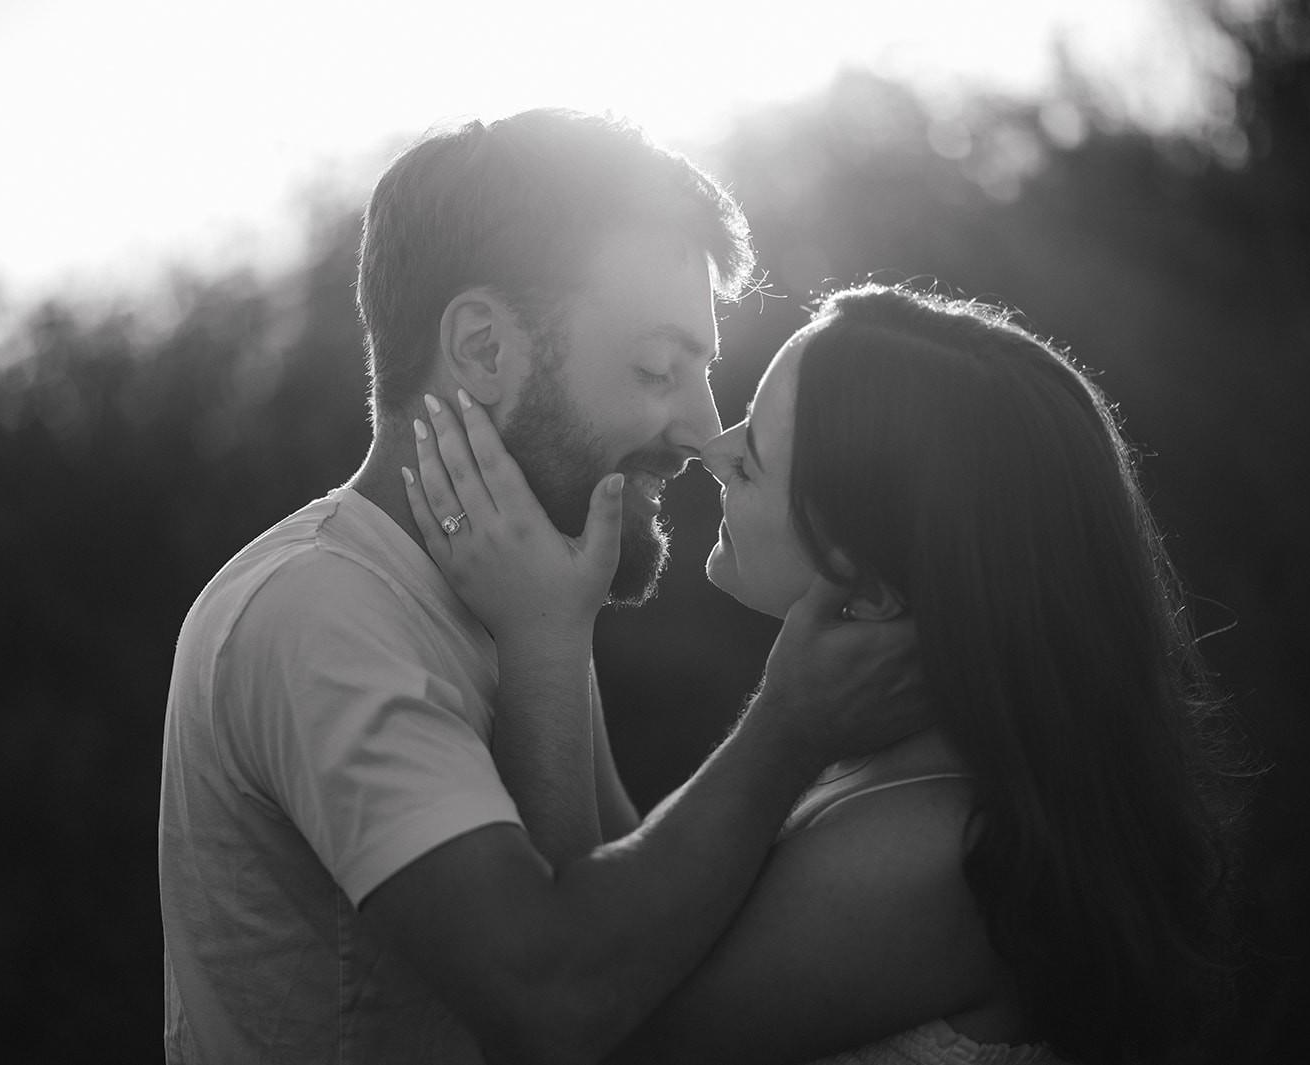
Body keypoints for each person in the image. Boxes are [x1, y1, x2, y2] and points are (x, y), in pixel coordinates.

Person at [158, 110, 927, 1065]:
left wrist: (552, 642)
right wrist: (786, 729)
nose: (701, 429)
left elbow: (631, 928)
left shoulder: (527, 588)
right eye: (657, 366)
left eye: (704, 369)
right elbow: (556, 1005)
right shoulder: (321, 612)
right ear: (483, 350)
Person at [405, 282, 1240, 1064]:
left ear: (871, 589)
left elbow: (588, 1020)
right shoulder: (900, 770)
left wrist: (545, 639)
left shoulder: (933, 850)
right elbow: (633, 889)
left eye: (757, 454)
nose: (713, 449)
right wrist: (560, 618)